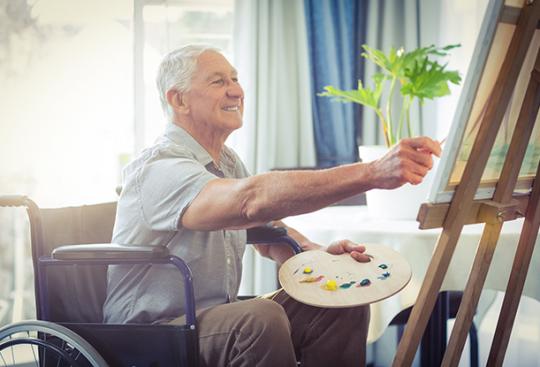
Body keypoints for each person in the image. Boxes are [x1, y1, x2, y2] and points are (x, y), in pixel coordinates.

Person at [103, 44, 441, 367]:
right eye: (219, 81)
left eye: (235, 79)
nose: (236, 91)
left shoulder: (227, 163)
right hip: (152, 332)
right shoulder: (158, 169)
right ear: (179, 100)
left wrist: (316, 255)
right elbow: (251, 201)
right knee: (260, 319)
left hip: (212, 320)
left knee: (340, 303)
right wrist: (371, 173)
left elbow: (268, 232)